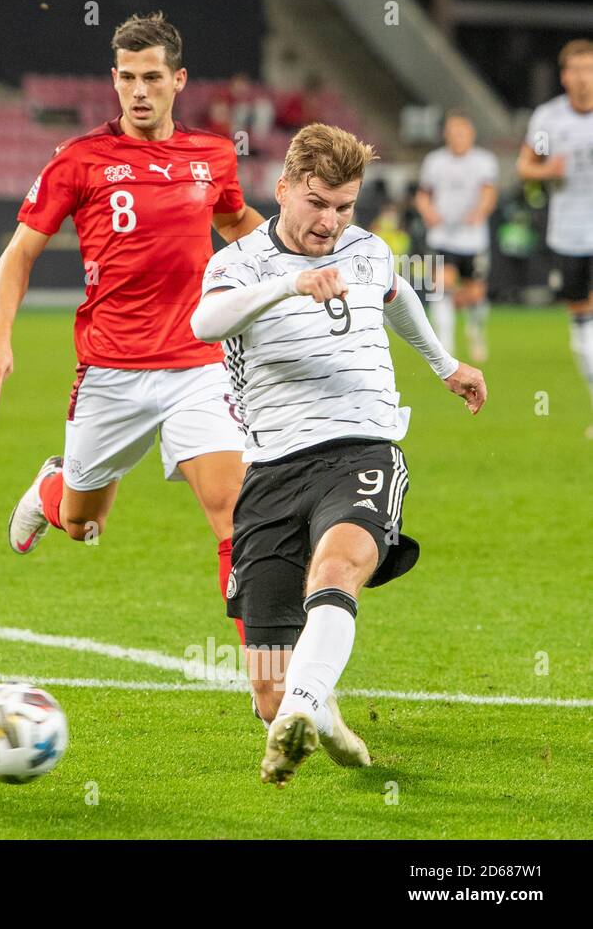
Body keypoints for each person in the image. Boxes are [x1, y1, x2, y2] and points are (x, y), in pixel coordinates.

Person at [191, 123, 487, 786]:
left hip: (361, 449)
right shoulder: (238, 265)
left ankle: (304, 702)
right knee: (266, 692)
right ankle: (310, 714)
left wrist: (444, 364)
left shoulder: (367, 251)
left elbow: (395, 293)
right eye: (319, 202)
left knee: (341, 561)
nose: (331, 221)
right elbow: (204, 325)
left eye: (345, 206)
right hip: (270, 471)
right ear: (285, 188)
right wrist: (290, 287)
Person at [0, 11, 263, 641]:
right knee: (83, 525)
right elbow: (19, 253)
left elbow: (236, 225)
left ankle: (271, 688)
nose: (139, 91)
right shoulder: (79, 161)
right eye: (127, 77)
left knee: (237, 515)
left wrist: (302, 259)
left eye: (152, 77)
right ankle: (53, 488)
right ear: (114, 79)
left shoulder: (211, 156)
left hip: (199, 365)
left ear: (179, 80)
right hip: (111, 372)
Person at [517, 38, 593, 438]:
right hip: (569, 234)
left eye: (589, 69)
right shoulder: (549, 120)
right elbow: (527, 165)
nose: (583, 78)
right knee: (582, 322)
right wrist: (549, 172)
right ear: (565, 76)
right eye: (576, 70)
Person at [414, 110, 498, 362]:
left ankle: (476, 330)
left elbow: (489, 193)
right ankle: (445, 344)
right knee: (442, 286)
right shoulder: (434, 161)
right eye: (452, 132)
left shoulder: (484, 161)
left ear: (471, 134)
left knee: (474, 294)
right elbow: (423, 194)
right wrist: (428, 212)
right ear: (446, 135)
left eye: (461, 131)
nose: (457, 136)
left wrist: (479, 212)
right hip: (442, 236)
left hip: (473, 238)